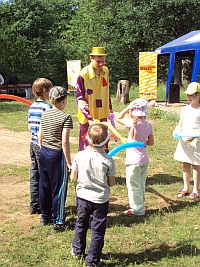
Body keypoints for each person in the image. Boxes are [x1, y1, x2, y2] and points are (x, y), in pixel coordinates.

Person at [71, 123, 116, 267]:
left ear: (87, 139)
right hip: (100, 200)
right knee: (98, 229)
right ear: (107, 141)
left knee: (81, 224)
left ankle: (78, 250)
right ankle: (93, 259)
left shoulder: (79, 156)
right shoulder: (108, 160)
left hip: (83, 198)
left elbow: (73, 177)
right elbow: (112, 183)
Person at [38, 86, 73, 233]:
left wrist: (42, 149)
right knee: (59, 188)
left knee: (44, 185)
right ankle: (58, 222)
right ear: (64, 100)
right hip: (57, 154)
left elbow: (40, 135)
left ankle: (45, 216)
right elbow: (64, 142)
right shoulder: (66, 117)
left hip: (44, 152)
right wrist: (69, 162)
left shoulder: (45, 114)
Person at [116, 98, 154, 216]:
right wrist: (142, 143)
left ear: (133, 112)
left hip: (133, 160)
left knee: (133, 185)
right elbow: (151, 142)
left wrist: (128, 108)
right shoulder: (148, 125)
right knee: (141, 184)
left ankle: (137, 210)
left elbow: (118, 118)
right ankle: (139, 204)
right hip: (144, 159)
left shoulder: (132, 123)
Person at [76, 47, 114, 152]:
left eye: (103, 61)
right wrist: (88, 117)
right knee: (87, 141)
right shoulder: (83, 74)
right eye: (98, 61)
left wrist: (110, 109)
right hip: (89, 115)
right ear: (91, 58)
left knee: (103, 139)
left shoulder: (105, 71)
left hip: (102, 113)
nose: (101, 64)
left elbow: (107, 91)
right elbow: (80, 98)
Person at [28, 78, 53, 215]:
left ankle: (34, 204)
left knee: (34, 174)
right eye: (50, 90)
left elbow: (29, 127)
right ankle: (45, 207)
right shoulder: (47, 108)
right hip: (42, 145)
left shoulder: (31, 107)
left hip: (32, 144)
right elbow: (45, 129)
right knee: (45, 177)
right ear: (45, 91)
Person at [173, 82, 200, 199]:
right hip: (184, 141)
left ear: (198, 95)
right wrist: (176, 131)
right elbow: (180, 125)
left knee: (196, 165)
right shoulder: (184, 109)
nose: (189, 97)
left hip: (196, 142)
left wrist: (195, 136)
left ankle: (196, 190)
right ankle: (186, 188)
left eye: (191, 95)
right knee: (185, 164)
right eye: (188, 95)